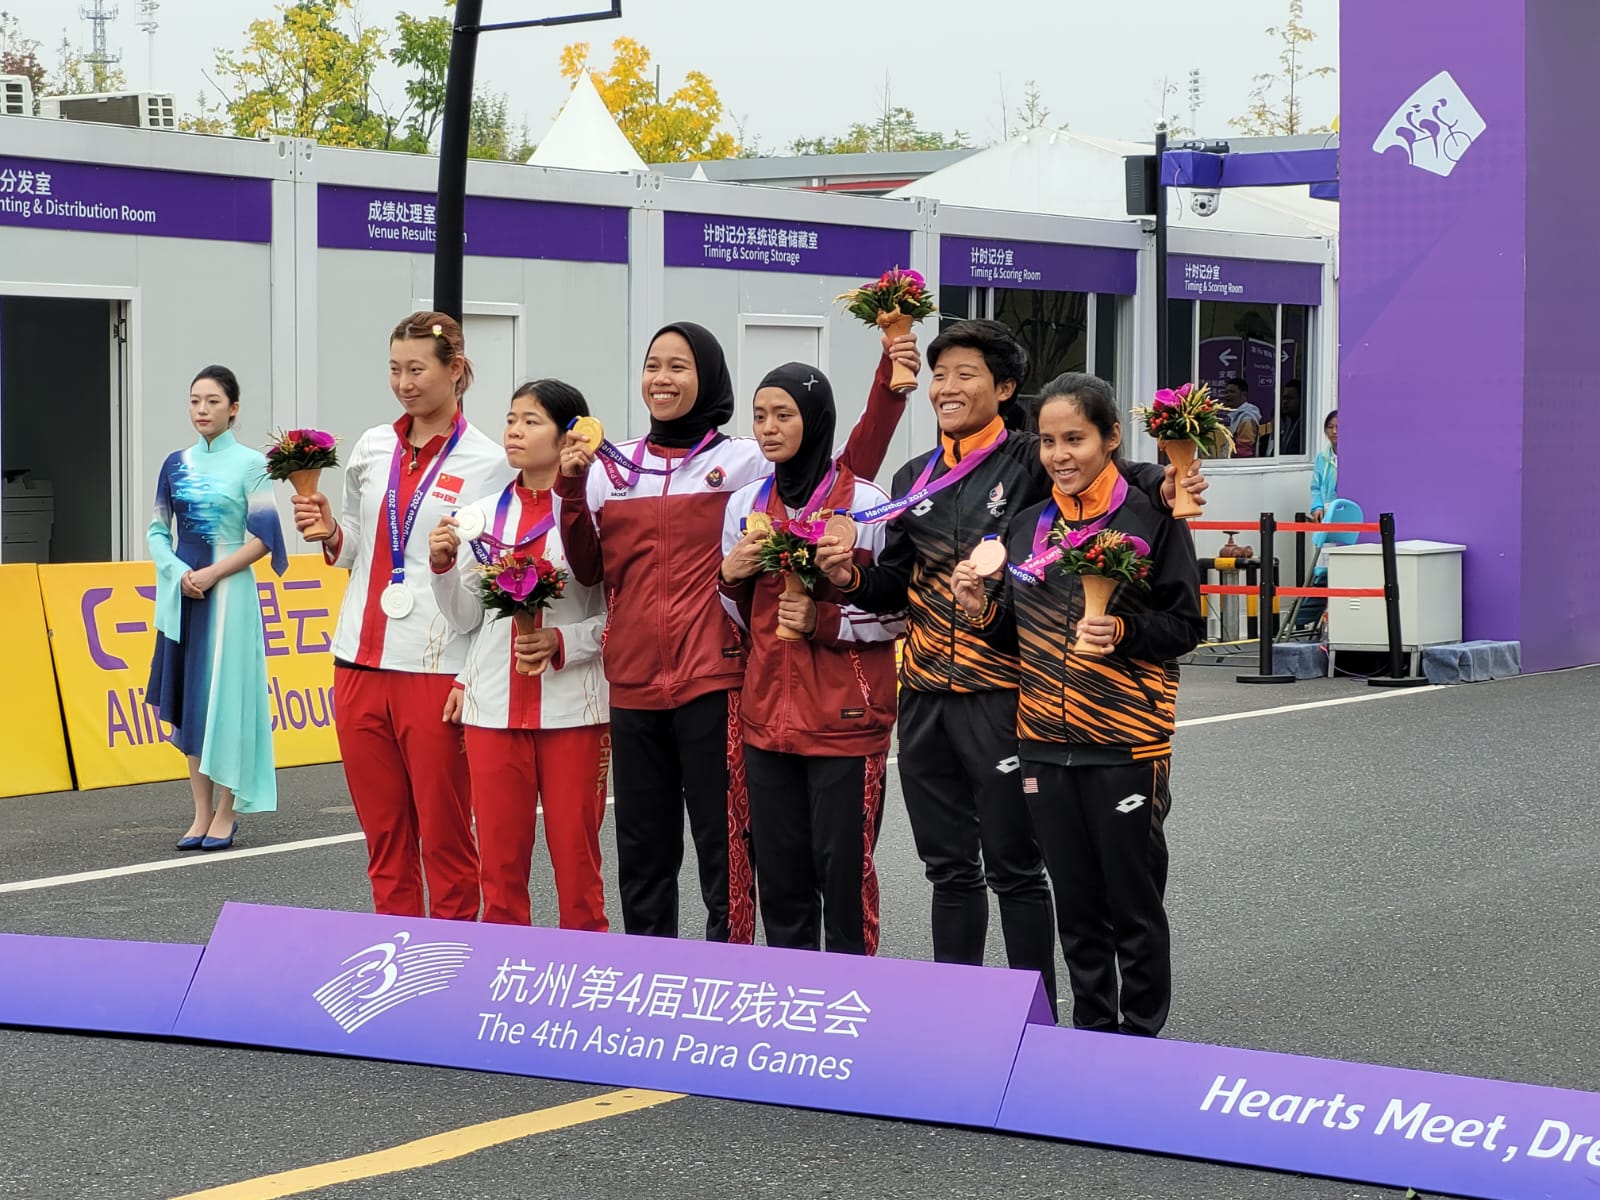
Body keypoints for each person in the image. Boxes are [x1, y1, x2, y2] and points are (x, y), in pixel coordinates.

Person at [816, 319, 1206, 1011]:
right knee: (947, 869)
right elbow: (895, 587)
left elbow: (1110, 471)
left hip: (1007, 698)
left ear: (1004, 388)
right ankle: (959, 1017)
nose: (947, 386)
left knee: (1019, 871)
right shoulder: (915, 479)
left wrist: (1170, 478)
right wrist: (849, 577)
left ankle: (1042, 1023)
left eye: (966, 373)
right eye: (939, 373)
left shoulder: (1030, 456)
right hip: (929, 691)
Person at [556, 322, 914, 943]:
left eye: (679, 367)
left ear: (708, 378)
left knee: (731, 855)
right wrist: (566, 486)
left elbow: (846, 468)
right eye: (653, 366)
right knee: (641, 853)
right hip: (635, 682)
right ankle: (653, 977)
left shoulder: (744, 461)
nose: (661, 379)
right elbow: (590, 570)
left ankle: (734, 976)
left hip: (717, 680)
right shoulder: (610, 469)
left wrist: (890, 381)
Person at [952, 372, 1203, 1036]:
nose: (1061, 455)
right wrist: (981, 612)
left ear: (1112, 437)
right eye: (1049, 442)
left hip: (1126, 742)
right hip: (1041, 742)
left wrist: (1123, 632)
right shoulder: (1031, 524)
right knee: (1078, 905)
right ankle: (1092, 1037)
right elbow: (1016, 632)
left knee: (1133, 902)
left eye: (1076, 439)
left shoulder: (1153, 515)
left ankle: (1141, 1038)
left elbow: (1186, 624)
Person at [291, 312, 510, 920]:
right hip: (357, 659)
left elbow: (492, 584)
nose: (404, 382)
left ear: (455, 370)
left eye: (417, 369)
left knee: (445, 839)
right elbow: (361, 544)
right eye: (395, 368)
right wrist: (332, 531)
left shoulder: (490, 463)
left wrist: (471, 676)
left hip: (435, 668)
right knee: (384, 839)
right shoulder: (372, 444)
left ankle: (455, 963)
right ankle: (399, 961)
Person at [716, 364, 905, 955]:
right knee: (781, 881)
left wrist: (824, 620)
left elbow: (900, 614)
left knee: (843, 881)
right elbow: (741, 617)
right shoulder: (746, 503)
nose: (768, 429)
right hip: (766, 721)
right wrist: (730, 577)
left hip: (846, 723)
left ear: (816, 419)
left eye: (784, 415)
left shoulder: (867, 506)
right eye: (759, 416)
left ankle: (854, 1006)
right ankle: (793, 1005)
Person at [428, 380, 609, 930]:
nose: (514, 431)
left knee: (577, 866)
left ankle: (588, 978)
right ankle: (503, 981)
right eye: (511, 419)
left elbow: (621, 616)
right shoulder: (477, 517)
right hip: (493, 711)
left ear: (568, 435)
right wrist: (441, 570)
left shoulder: (598, 513)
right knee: (500, 870)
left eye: (531, 421)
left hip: (574, 711)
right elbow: (464, 619)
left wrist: (563, 644)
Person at [148, 366, 286, 852]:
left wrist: (211, 573)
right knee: (191, 701)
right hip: (183, 594)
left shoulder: (253, 464)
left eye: (212, 401)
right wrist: (176, 572)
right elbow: (157, 531)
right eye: (194, 401)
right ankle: (200, 813)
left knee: (226, 700)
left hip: (228, 595)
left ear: (234, 408)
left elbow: (265, 538)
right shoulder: (175, 463)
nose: (202, 410)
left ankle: (227, 811)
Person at [1221, 377, 1261, 459]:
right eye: (1226, 392)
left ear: (1244, 394)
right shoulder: (1237, 416)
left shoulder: (1246, 419)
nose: (1228, 395)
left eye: (1232, 392)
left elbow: (1244, 452)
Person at [1310, 408, 1338, 521]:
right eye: (1330, 427)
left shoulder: (1354, 457)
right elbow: (1315, 487)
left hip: (1349, 513)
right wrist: (1317, 507)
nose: (1334, 431)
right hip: (1327, 514)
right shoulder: (1322, 457)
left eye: (1338, 427)